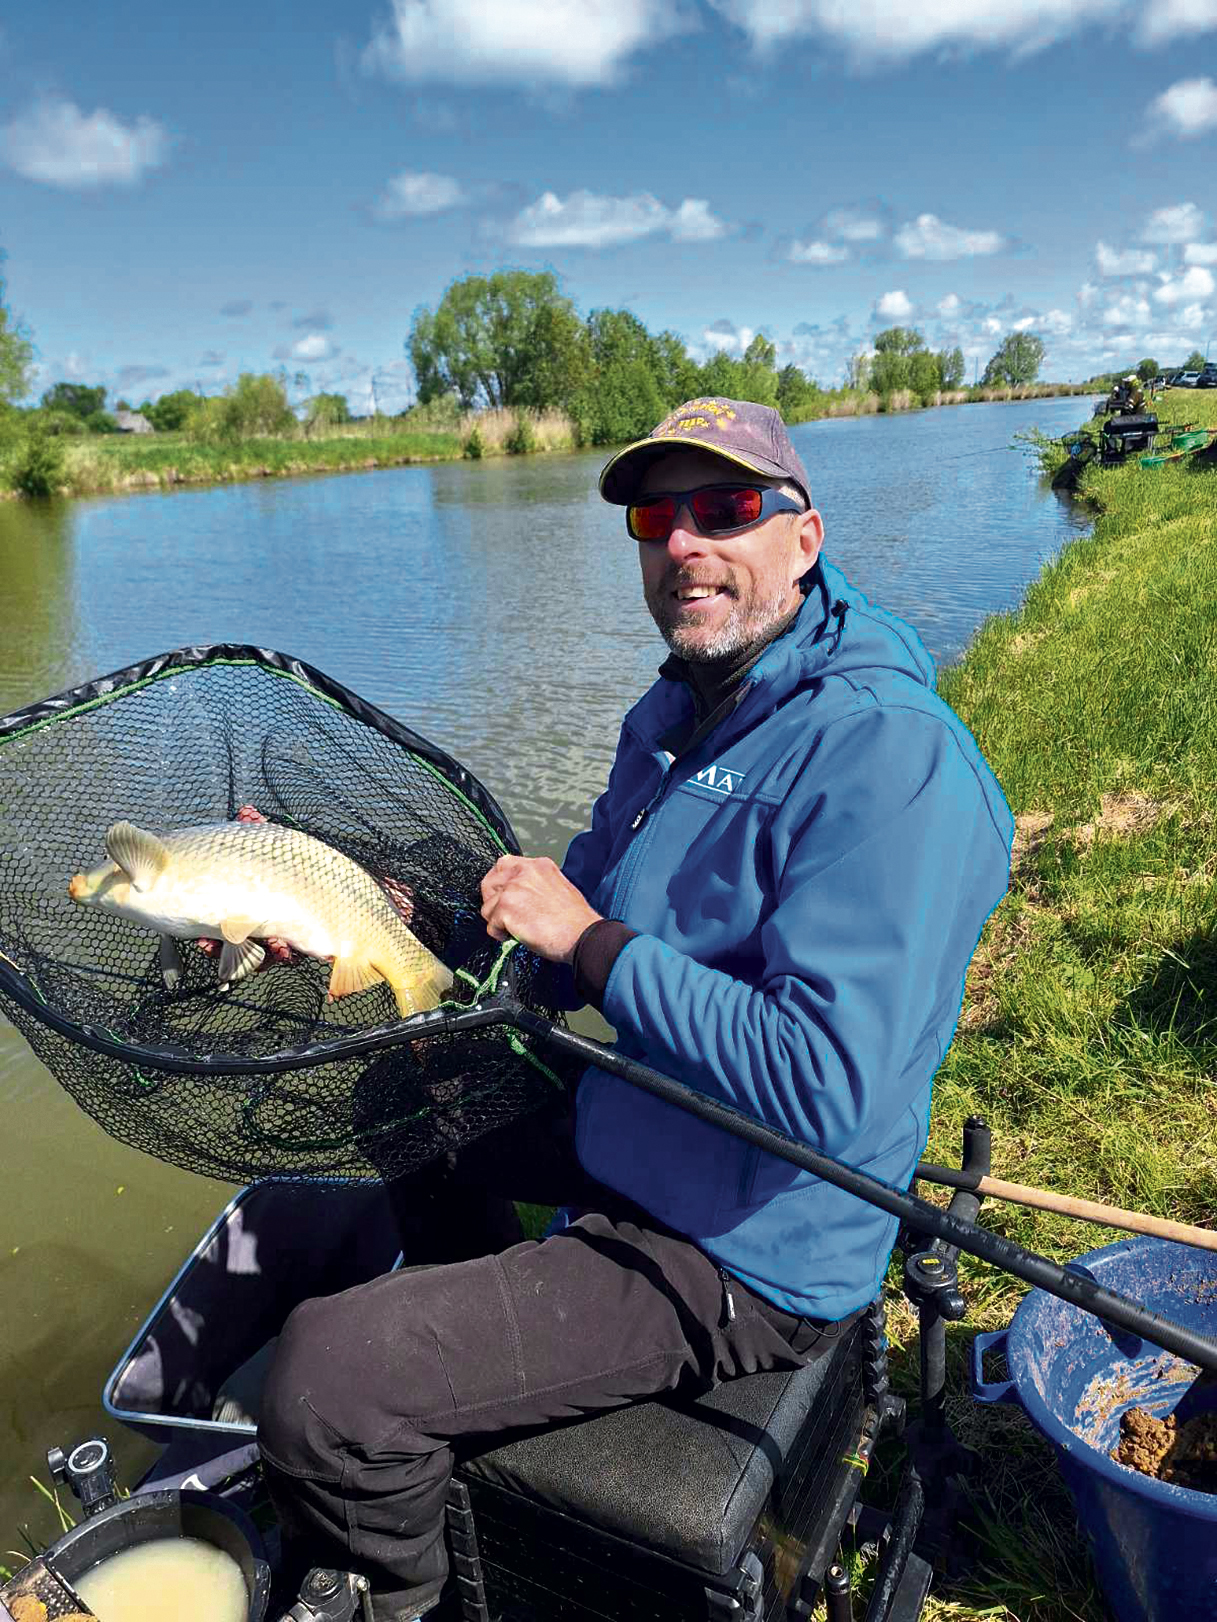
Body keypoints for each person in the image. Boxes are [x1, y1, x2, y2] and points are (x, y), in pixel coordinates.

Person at [258, 397, 1013, 1621]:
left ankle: (416, 1594)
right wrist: (401, 919)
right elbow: (565, 940)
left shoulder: (887, 760)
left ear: (804, 537)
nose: (682, 545)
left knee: (322, 1378)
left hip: (744, 1242)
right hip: (646, 1122)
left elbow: (825, 1088)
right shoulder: (675, 713)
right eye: (656, 517)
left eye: (724, 509)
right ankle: (482, 1364)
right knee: (406, 1081)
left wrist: (595, 940)